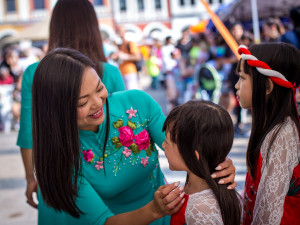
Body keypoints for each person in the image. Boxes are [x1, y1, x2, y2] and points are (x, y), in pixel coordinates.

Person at [32, 48, 235, 224]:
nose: (97, 103)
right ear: (57, 110)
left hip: (167, 218)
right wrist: (154, 210)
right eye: (83, 102)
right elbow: (103, 222)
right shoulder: (61, 157)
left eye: (99, 88)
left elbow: (184, 146)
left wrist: (216, 162)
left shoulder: (136, 104)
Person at [17, 0, 125, 209]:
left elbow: (28, 133)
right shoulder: (109, 72)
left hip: (58, 178)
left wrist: (31, 177)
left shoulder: (35, 73)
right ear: (92, 27)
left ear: (55, 27)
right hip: (109, 177)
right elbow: (122, 126)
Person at [236, 43, 300, 224]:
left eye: (242, 78)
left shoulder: (283, 134)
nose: (236, 85)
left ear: (266, 87)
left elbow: (268, 212)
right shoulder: (271, 127)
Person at [162, 100, 242, 225]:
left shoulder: (201, 210)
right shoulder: (201, 191)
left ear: (193, 155)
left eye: (167, 142)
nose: (163, 146)